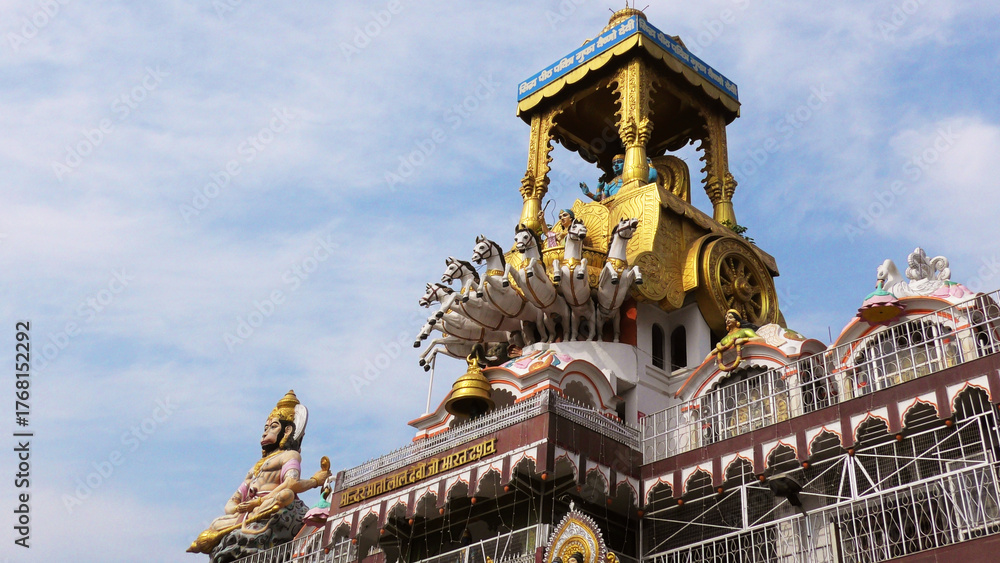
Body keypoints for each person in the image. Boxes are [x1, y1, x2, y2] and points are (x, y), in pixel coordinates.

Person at [188, 390, 331, 560]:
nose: (265, 432)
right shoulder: (256, 467)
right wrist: (239, 508)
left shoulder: (289, 456)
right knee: (215, 524)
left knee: (286, 495)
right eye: (265, 428)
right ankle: (244, 524)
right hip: (250, 512)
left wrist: (315, 481)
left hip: (270, 504)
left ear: (286, 431)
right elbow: (233, 501)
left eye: (273, 427)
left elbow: (291, 484)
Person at [579, 154, 658, 201]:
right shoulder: (610, 184)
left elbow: (650, 180)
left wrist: (650, 165)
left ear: (626, 163)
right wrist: (591, 191)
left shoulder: (631, 176)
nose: (616, 165)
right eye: (614, 164)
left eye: (619, 162)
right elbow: (602, 200)